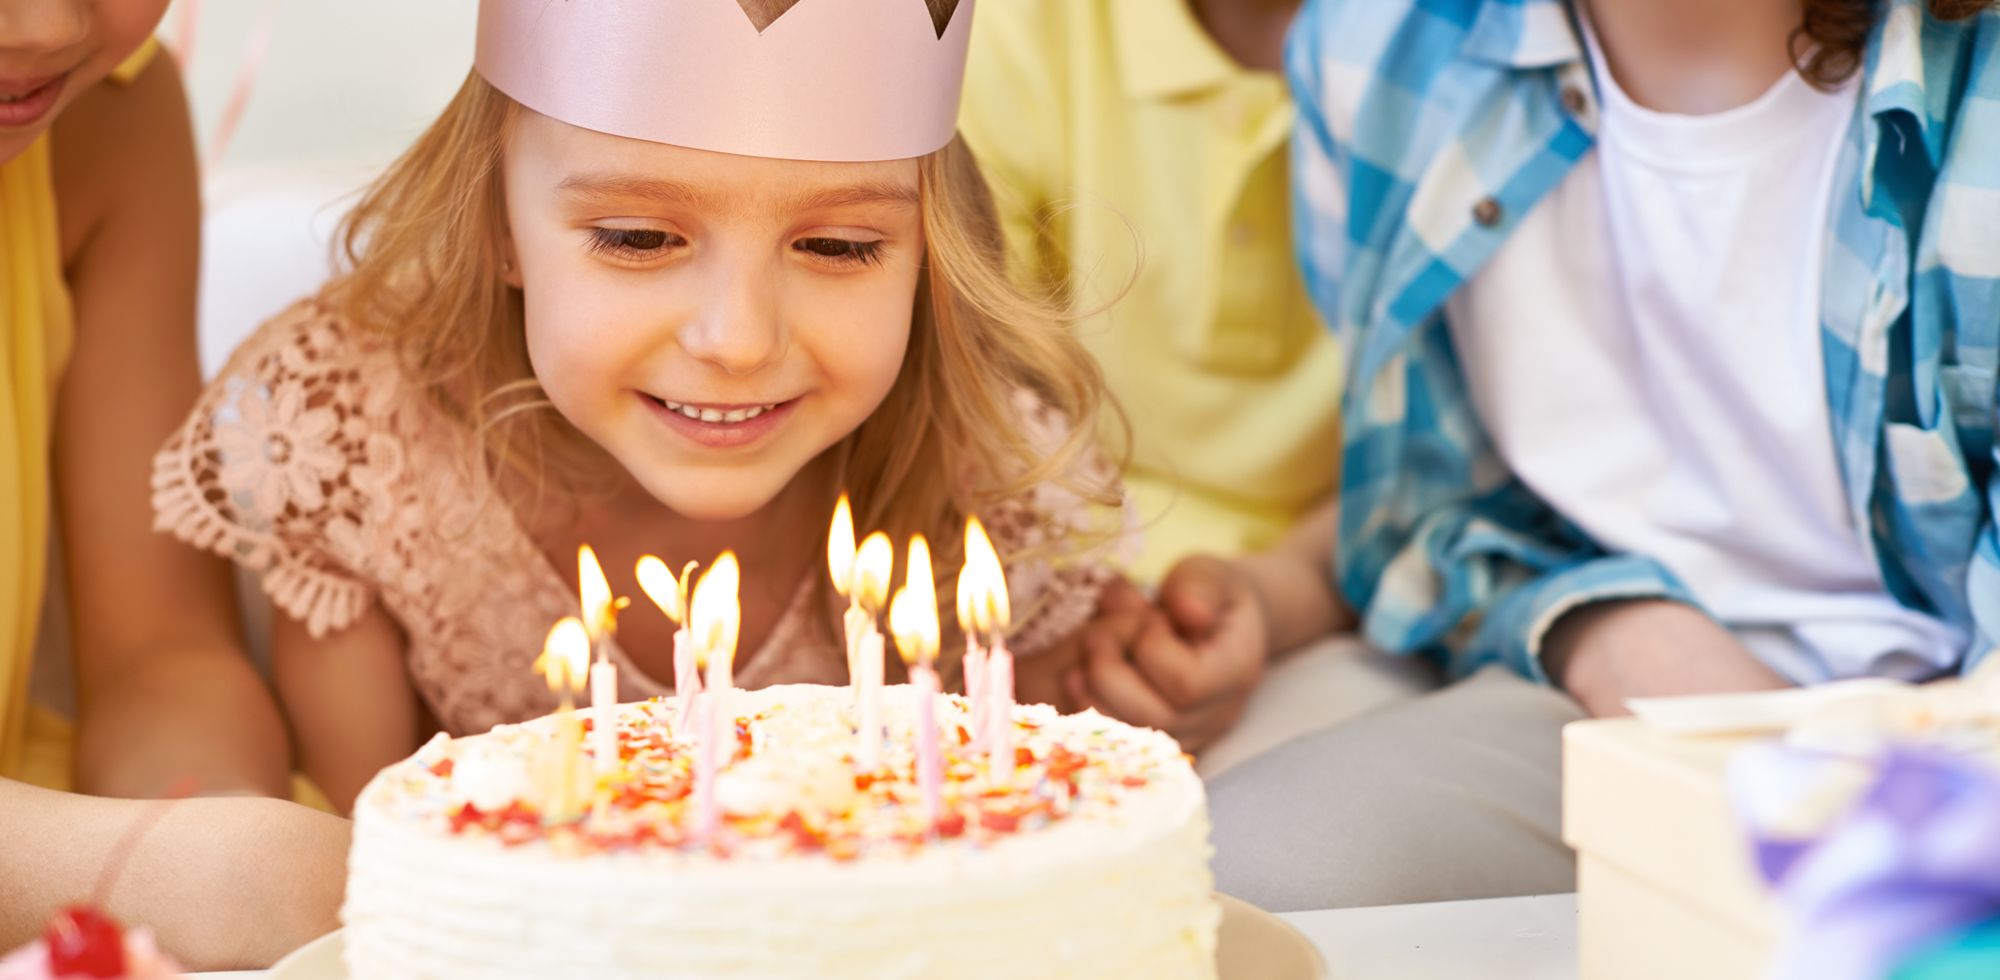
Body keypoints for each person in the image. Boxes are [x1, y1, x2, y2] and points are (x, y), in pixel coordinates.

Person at [153, 0, 1133, 813]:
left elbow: (1025, 817)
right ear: (497, 219)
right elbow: (372, 856)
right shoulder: (361, 446)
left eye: (838, 247)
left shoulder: (984, 479)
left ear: (927, 251)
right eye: (635, 237)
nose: (738, 338)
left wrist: (1151, 665)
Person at [1211, 0, 2000, 910]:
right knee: (1250, 877)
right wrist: (1608, 630)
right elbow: (1426, 505)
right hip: (1611, 707)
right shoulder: (1375, 54)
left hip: (1956, 737)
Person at [961, 0, 1424, 760]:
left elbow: (1479, 472)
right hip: (1029, 590)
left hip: (1358, 603)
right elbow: (960, 397)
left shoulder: (1472, 59)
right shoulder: (1010, 32)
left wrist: (1277, 595)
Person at [0, 0, 345, 965]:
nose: (41, 29)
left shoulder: (105, 122)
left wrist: (219, 816)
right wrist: (167, 868)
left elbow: (155, 656)